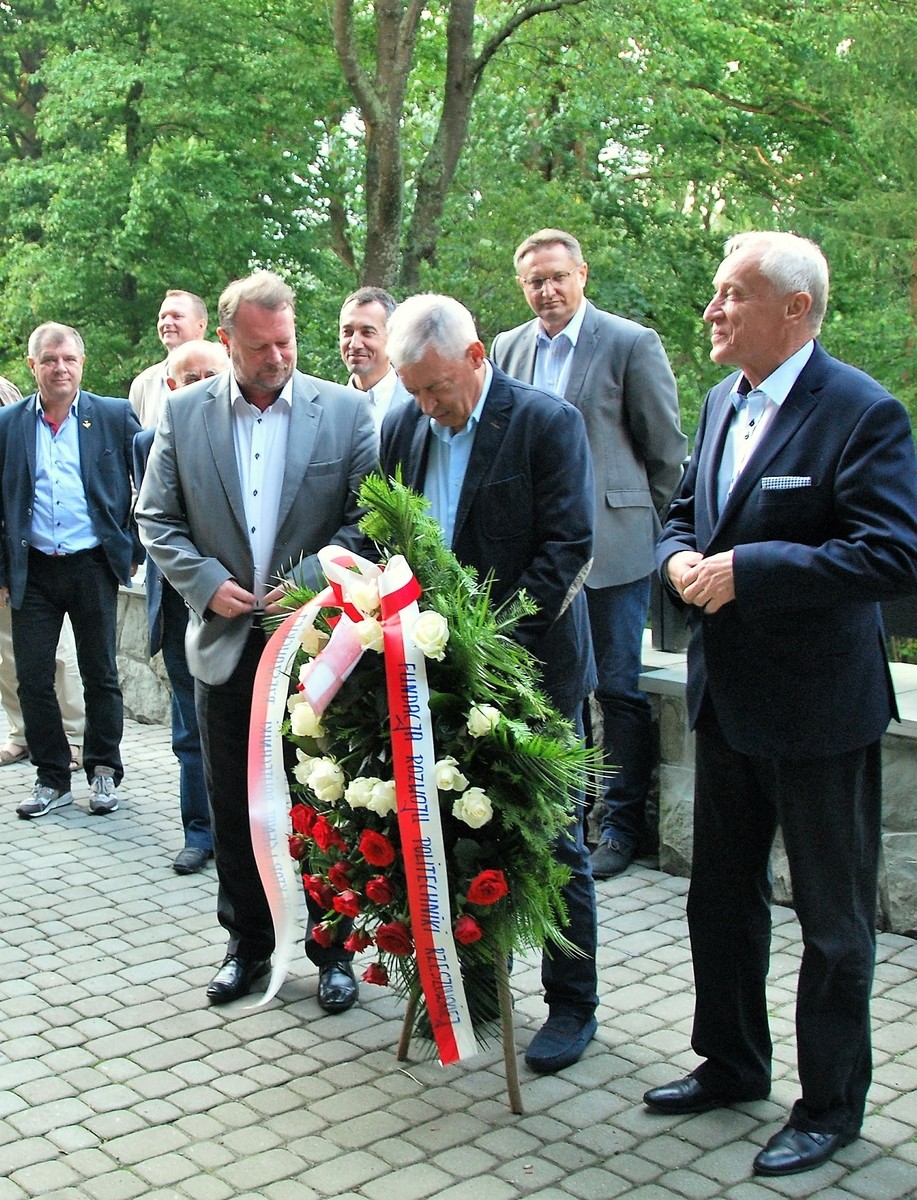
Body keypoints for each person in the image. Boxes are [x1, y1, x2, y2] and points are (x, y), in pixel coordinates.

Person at [646, 232, 917, 1178]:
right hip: (725, 702)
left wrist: (748, 570)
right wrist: (677, 559)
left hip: (819, 712)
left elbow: (891, 554)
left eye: (731, 294)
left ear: (794, 308)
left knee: (833, 925)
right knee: (719, 900)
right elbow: (682, 515)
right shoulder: (721, 399)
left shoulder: (862, 411)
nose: (711, 310)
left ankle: (829, 1107)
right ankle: (730, 1064)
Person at [136, 270, 376, 1008]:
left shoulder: (345, 412)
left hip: (318, 648)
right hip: (225, 644)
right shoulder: (184, 415)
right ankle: (246, 946)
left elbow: (368, 519)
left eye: (286, 342)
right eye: (260, 346)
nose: (277, 358)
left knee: (325, 801)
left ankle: (333, 951)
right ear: (226, 340)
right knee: (235, 805)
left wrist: (307, 581)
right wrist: (205, 582)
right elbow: (156, 518)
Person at [380, 293, 599, 1074]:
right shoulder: (402, 426)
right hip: (431, 672)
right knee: (451, 829)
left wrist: (489, 648)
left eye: (436, 388)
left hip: (532, 671)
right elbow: (388, 537)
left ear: (477, 358)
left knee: (551, 836)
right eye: (413, 391)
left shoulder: (545, 424)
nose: (426, 407)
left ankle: (572, 1004)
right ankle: (469, 988)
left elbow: (566, 550)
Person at [492, 229, 687, 879]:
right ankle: (564, 821)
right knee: (556, 689)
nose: (546, 289)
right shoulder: (507, 348)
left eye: (557, 276)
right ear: (521, 286)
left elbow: (666, 453)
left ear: (581, 274)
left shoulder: (630, 343)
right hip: (541, 558)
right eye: (534, 281)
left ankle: (620, 825)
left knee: (617, 688)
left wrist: (641, 526)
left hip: (614, 553)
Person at [0, 323, 142, 819]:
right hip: (34, 569)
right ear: (32, 365)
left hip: (92, 564)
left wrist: (133, 547)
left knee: (100, 673)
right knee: (33, 678)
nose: (59, 368)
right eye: (49, 359)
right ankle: (52, 777)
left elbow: (149, 482)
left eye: (68, 359)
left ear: (82, 363)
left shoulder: (113, 415)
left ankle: (103, 769)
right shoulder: (9, 423)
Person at [133, 340, 228, 873]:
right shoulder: (147, 442)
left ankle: (248, 833)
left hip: (240, 601)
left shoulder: (252, 437)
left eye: (213, 374)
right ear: (171, 387)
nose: (204, 386)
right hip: (177, 605)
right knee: (190, 726)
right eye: (191, 378)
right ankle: (198, 831)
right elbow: (150, 521)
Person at [0, 375, 84, 771]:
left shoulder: (4, 397)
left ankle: (73, 734)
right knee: (5, 655)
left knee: (57, 654)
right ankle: (23, 733)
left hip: (25, 552)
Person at [339, 286, 411, 443]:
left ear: (392, 337)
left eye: (367, 333)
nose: (354, 344)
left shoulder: (418, 406)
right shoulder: (328, 408)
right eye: (348, 332)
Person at [130, 290, 209, 428]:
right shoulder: (143, 384)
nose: (166, 322)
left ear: (200, 325)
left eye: (177, 316)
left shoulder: (228, 374)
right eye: (162, 317)